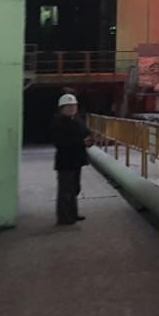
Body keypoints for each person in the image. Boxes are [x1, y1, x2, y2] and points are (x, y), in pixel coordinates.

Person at [52, 93, 94, 225]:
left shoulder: (77, 120)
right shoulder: (58, 123)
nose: (71, 109)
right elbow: (59, 142)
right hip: (65, 161)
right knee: (66, 190)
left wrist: (91, 139)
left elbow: (86, 132)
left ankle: (73, 213)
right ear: (61, 109)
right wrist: (81, 142)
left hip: (77, 160)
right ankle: (64, 218)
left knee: (75, 188)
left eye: (73, 106)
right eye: (68, 107)